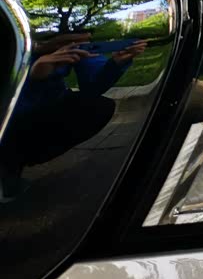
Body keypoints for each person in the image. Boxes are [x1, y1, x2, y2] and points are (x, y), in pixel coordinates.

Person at [0, 34, 147, 201]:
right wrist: (34, 78)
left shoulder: (75, 48)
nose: (75, 44)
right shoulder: (13, 43)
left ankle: (16, 161)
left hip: (45, 108)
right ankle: (8, 164)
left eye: (80, 40)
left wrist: (114, 64)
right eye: (66, 40)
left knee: (97, 107)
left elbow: (91, 89)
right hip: (12, 115)